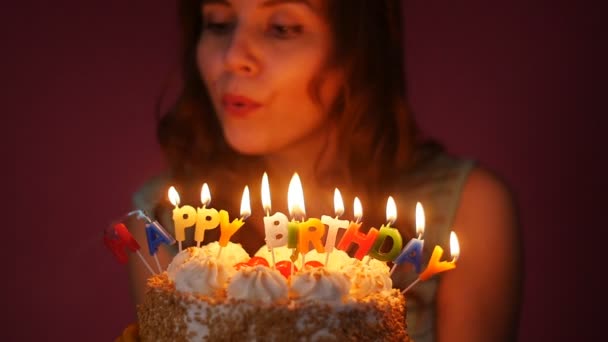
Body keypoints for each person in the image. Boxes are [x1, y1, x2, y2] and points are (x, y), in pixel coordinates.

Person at [125, 0, 523, 341]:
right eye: (218, 23)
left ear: (356, 49)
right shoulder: (162, 222)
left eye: (281, 28)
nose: (231, 57)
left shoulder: (470, 208)